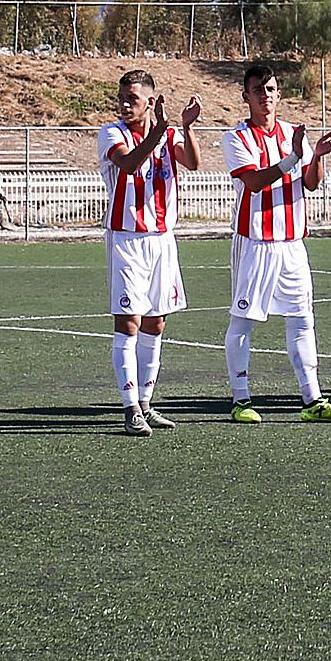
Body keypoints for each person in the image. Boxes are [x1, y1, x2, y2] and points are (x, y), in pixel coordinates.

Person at [221, 65, 331, 423]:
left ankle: (312, 399)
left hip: (293, 243)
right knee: (244, 320)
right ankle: (241, 400)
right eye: (258, 90)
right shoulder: (237, 138)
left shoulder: (294, 133)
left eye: (271, 89)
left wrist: (318, 156)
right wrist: (294, 157)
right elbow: (253, 182)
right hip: (256, 242)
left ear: (280, 94)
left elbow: (310, 182)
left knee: (302, 319)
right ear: (246, 96)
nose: (266, 95)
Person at [99, 70, 201, 436]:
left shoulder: (168, 134)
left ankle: (145, 402)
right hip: (127, 238)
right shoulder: (112, 134)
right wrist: (158, 132)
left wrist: (186, 128)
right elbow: (128, 165)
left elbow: (192, 162)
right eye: (122, 97)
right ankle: (129, 409)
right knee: (129, 321)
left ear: (150, 102)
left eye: (134, 99)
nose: (126, 104)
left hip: (162, 240)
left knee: (156, 322)